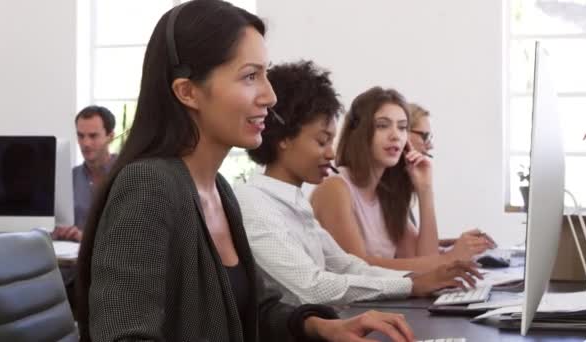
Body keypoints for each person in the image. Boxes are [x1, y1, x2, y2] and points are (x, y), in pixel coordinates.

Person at [76, 2, 417, 341]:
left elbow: (256, 307)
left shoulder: (219, 190)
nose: (269, 96)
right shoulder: (148, 187)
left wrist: (321, 326)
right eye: (251, 76)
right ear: (188, 91)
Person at [235, 61, 480, 307]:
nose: (331, 154)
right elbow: (313, 286)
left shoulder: (295, 204)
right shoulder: (255, 203)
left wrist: (422, 279)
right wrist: (413, 284)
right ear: (283, 139)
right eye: (322, 142)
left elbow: (349, 266)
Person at [310, 88, 492, 274]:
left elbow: (424, 261)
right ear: (358, 133)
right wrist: (449, 258)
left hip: (381, 301)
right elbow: (358, 268)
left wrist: (425, 190)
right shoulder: (334, 188)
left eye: (402, 127)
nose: (396, 135)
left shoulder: (386, 194)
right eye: (382, 125)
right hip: (349, 303)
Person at [407, 102, 495, 251]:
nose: (431, 146)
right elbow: (419, 258)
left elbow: (413, 246)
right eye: (425, 136)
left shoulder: (398, 192)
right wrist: (426, 189)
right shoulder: (381, 192)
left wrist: (455, 243)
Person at [52, 105, 117, 242]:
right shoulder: (69, 179)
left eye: (93, 136)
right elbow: (54, 226)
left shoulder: (127, 175)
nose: (85, 143)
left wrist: (85, 238)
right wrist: (58, 232)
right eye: (80, 136)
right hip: (71, 260)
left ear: (110, 137)